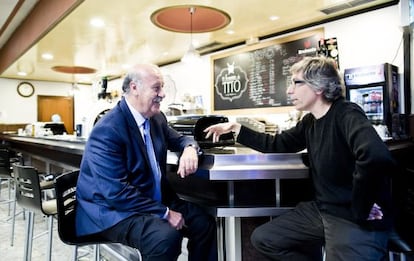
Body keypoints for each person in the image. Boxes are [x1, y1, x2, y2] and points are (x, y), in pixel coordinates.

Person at [204, 56, 396, 260]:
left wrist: (362, 204)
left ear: (319, 86)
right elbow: (277, 144)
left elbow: (376, 156)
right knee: (264, 238)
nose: (289, 90)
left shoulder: (346, 113)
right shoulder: (310, 121)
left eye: (296, 83)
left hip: (352, 218)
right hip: (322, 211)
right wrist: (236, 128)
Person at [76, 64, 217, 261]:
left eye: (163, 87)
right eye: (157, 88)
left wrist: (190, 148)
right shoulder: (107, 130)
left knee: (204, 224)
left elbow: (180, 139)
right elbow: (116, 193)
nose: (163, 94)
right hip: (114, 210)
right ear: (134, 88)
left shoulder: (156, 118)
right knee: (165, 238)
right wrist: (166, 213)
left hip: (150, 200)